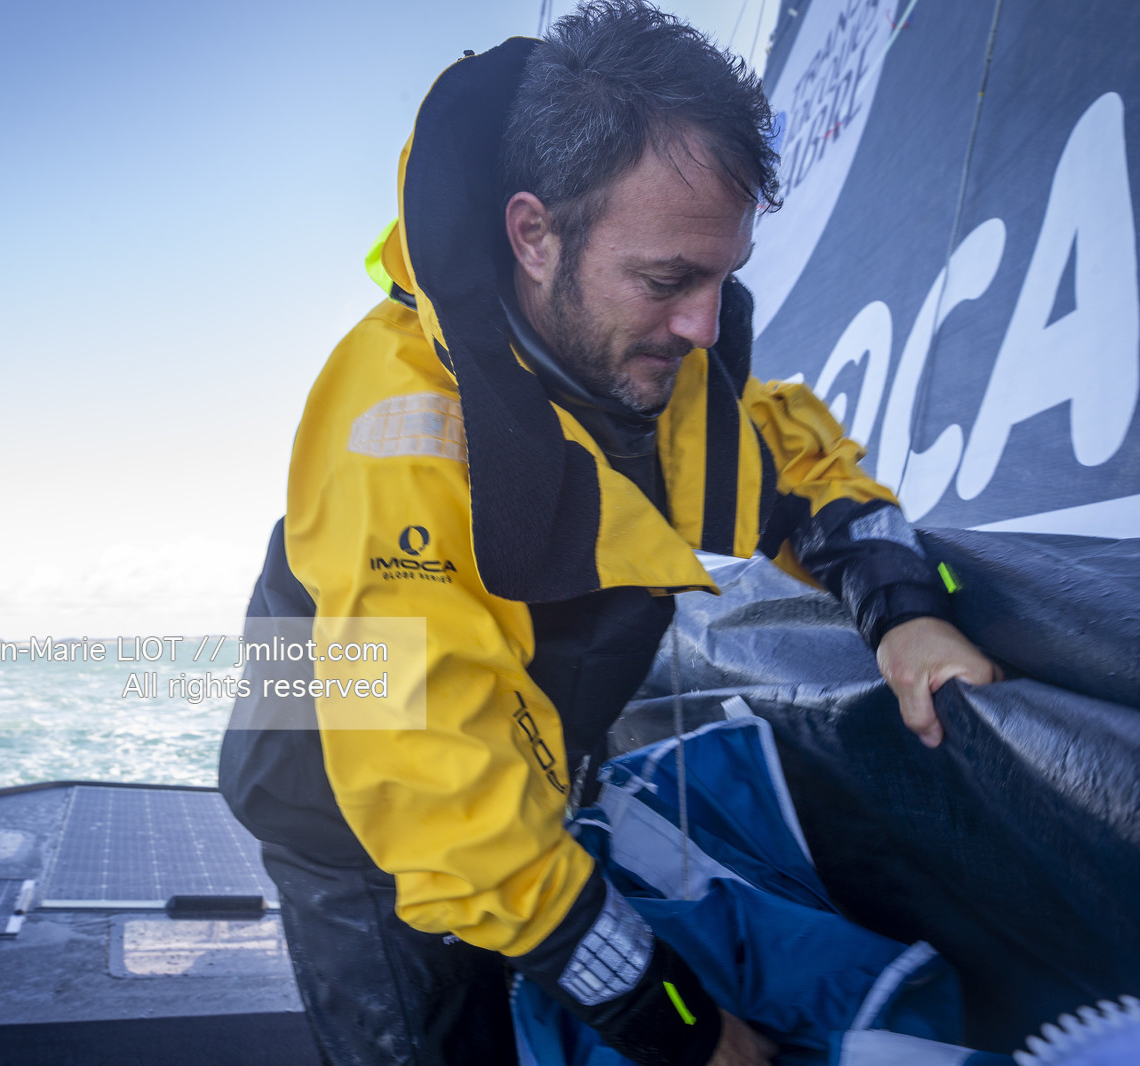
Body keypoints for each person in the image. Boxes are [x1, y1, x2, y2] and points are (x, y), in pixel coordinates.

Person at [219, 3, 1000, 1064]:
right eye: (668, 280)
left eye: (722, 276)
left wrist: (900, 611)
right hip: (345, 809)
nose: (703, 326)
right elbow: (446, 811)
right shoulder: (391, 445)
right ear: (534, 235)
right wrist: (680, 1025)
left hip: (521, 769)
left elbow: (797, 469)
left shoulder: (641, 356)